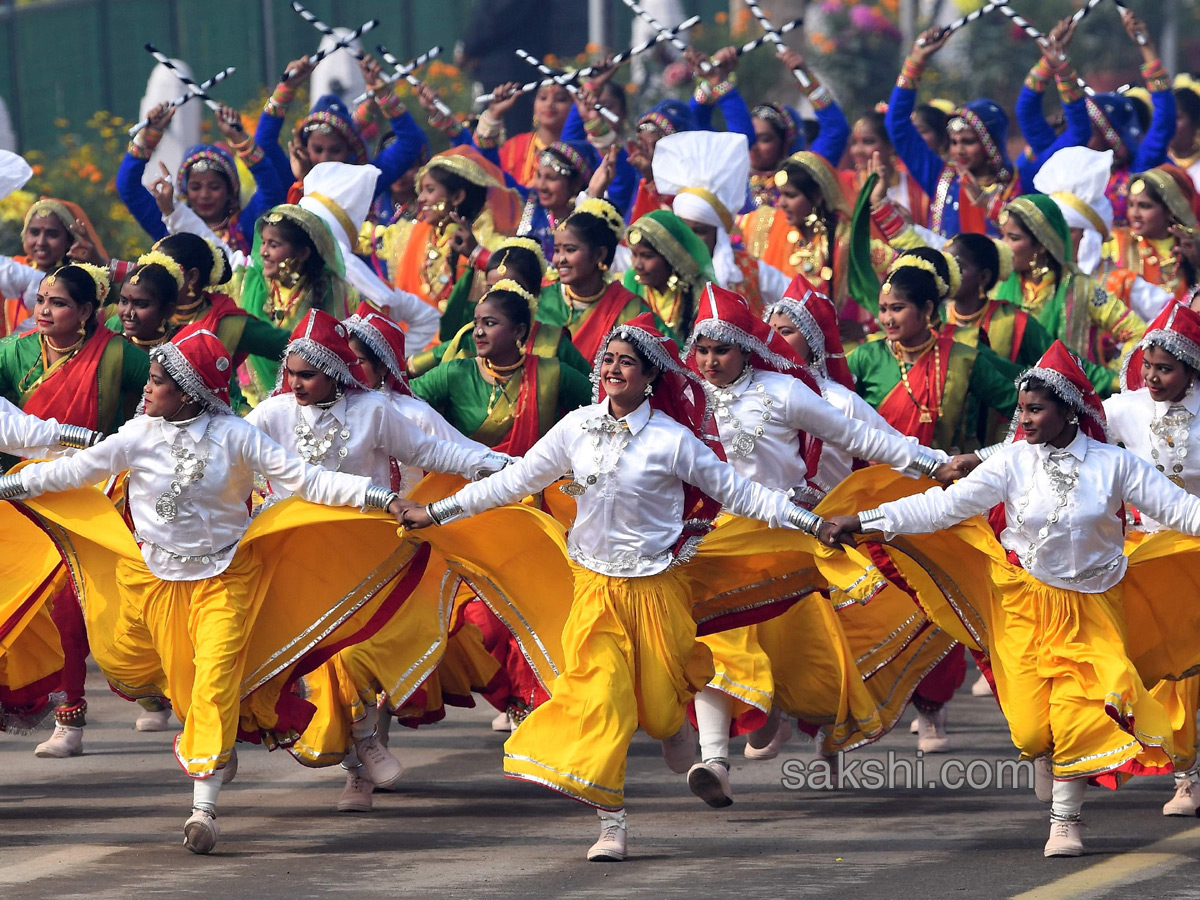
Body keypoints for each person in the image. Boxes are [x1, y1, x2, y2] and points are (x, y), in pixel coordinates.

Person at [400, 313, 838, 862]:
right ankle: (613, 823)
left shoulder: (672, 440)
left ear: (650, 377)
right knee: (600, 699)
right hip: (593, 590)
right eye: (607, 359)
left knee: (657, 712)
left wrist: (811, 522)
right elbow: (512, 483)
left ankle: (676, 729)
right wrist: (436, 511)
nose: (612, 369)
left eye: (626, 362)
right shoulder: (576, 427)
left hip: (658, 591)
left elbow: (742, 494)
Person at [0, 324, 414, 854]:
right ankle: (215, 745)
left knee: (215, 679)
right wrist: (8, 486)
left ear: (189, 390)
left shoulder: (237, 436)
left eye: (155, 382)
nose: (145, 391)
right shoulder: (138, 434)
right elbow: (71, 473)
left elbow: (308, 480)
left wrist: (382, 497)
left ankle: (204, 808)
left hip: (226, 578)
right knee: (186, 689)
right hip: (155, 583)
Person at [819, 340, 1200, 858]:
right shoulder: (1013, 462)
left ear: (1068, 410)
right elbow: (941, 508)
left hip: (1094, 607)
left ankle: (1065, 821)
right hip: (1025, 605)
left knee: (1080, 707)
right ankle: (1053, 758)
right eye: (1021, 409)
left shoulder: (1115, 465)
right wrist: (865, 521)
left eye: (1035, 409)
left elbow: (1182, 512)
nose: (1023, 419)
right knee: (1029, 731)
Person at [1103, 300, 1200, 817]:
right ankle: (1077, 760)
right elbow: (1055, 423)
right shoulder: (1126, 408)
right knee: (1133, 665)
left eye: (1166, 369)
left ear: (1191, 369)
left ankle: (1187, 777)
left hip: (1195, 554)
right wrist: (979, 462)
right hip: (1140, 555)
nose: (1154, 377)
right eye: (1148, 366)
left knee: (1186, 671)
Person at [886, 27, 1017, 238]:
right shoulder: (942, 178)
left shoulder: (1015, 186)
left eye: (967, 141)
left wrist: (987, 205)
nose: (959, 150)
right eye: (954, 142)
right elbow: (896, 124)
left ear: (989, 144)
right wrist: (916, 62)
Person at [118, 102, 284, 255]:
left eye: (214, 187)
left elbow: (271, 189)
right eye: (196, 187)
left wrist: (238, 138)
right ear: (185, 190)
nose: (204, 195)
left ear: (230, 190)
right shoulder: (169, 224)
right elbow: (128, 186)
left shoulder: (246, 226)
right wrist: (148, 136)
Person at [652, 131, 789, 313]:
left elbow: (803, 300)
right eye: (684, 230)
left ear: (719, 233)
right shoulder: (659, 271)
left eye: (700, 231)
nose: (690, 239)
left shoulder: (747, 270)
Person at [234, 204, 356, 403]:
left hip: (312, 402)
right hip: (252, 403)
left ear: (302, 254)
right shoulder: (245, 284)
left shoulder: (332, 292)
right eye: (263, 242)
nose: (263, 252)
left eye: (273, 245)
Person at [538, 198, 651, 361]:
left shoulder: (627, 308)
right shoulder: (539, 299)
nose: (559, 259)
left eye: (570, 250)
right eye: (556, 250)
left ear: (599, 254)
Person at [1108, 165, 1200, 305]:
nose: (1134, 214)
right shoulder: (1114, 241)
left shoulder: (1191, 246)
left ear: (1170, 211)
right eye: (1131, 205)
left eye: (1145, 206)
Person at [622, 209, 716, 344]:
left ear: (671, 256)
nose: (637, 265)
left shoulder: (699, 293)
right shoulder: (628, 283)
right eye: (634, 254)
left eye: (647, 256)